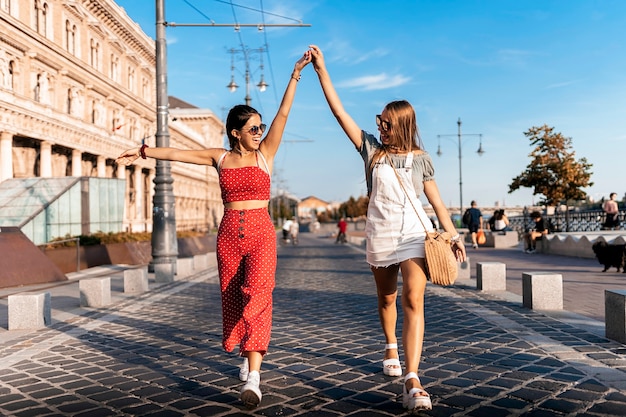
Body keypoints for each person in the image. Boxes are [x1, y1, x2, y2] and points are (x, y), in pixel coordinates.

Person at [115, 51, 311, 409]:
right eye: (253, 129)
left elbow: (283, 114)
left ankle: (254, 376)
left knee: (259, 295)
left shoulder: (265, 153)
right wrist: (141, 152)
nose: (259, 133)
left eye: (261, 128)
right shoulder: (219, 157)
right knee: (234, 298)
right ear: (236, 133)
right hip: (228, 236)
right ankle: (245, 351)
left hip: (261, 234)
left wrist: (296, 74)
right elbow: (176, 154)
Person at [309, 45, 466, 413]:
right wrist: (321, 70)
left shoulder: (420, 159)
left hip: (414, 234)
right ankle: (390, 346)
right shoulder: (371, 151)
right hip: (379, 235)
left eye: (385, 121)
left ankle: (413, 379)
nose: (379, 125)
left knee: (414, 299)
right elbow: (338, 111)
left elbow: (437, 204)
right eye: (378, 120)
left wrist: (454, 235)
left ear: (402, 123)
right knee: (387, 298)